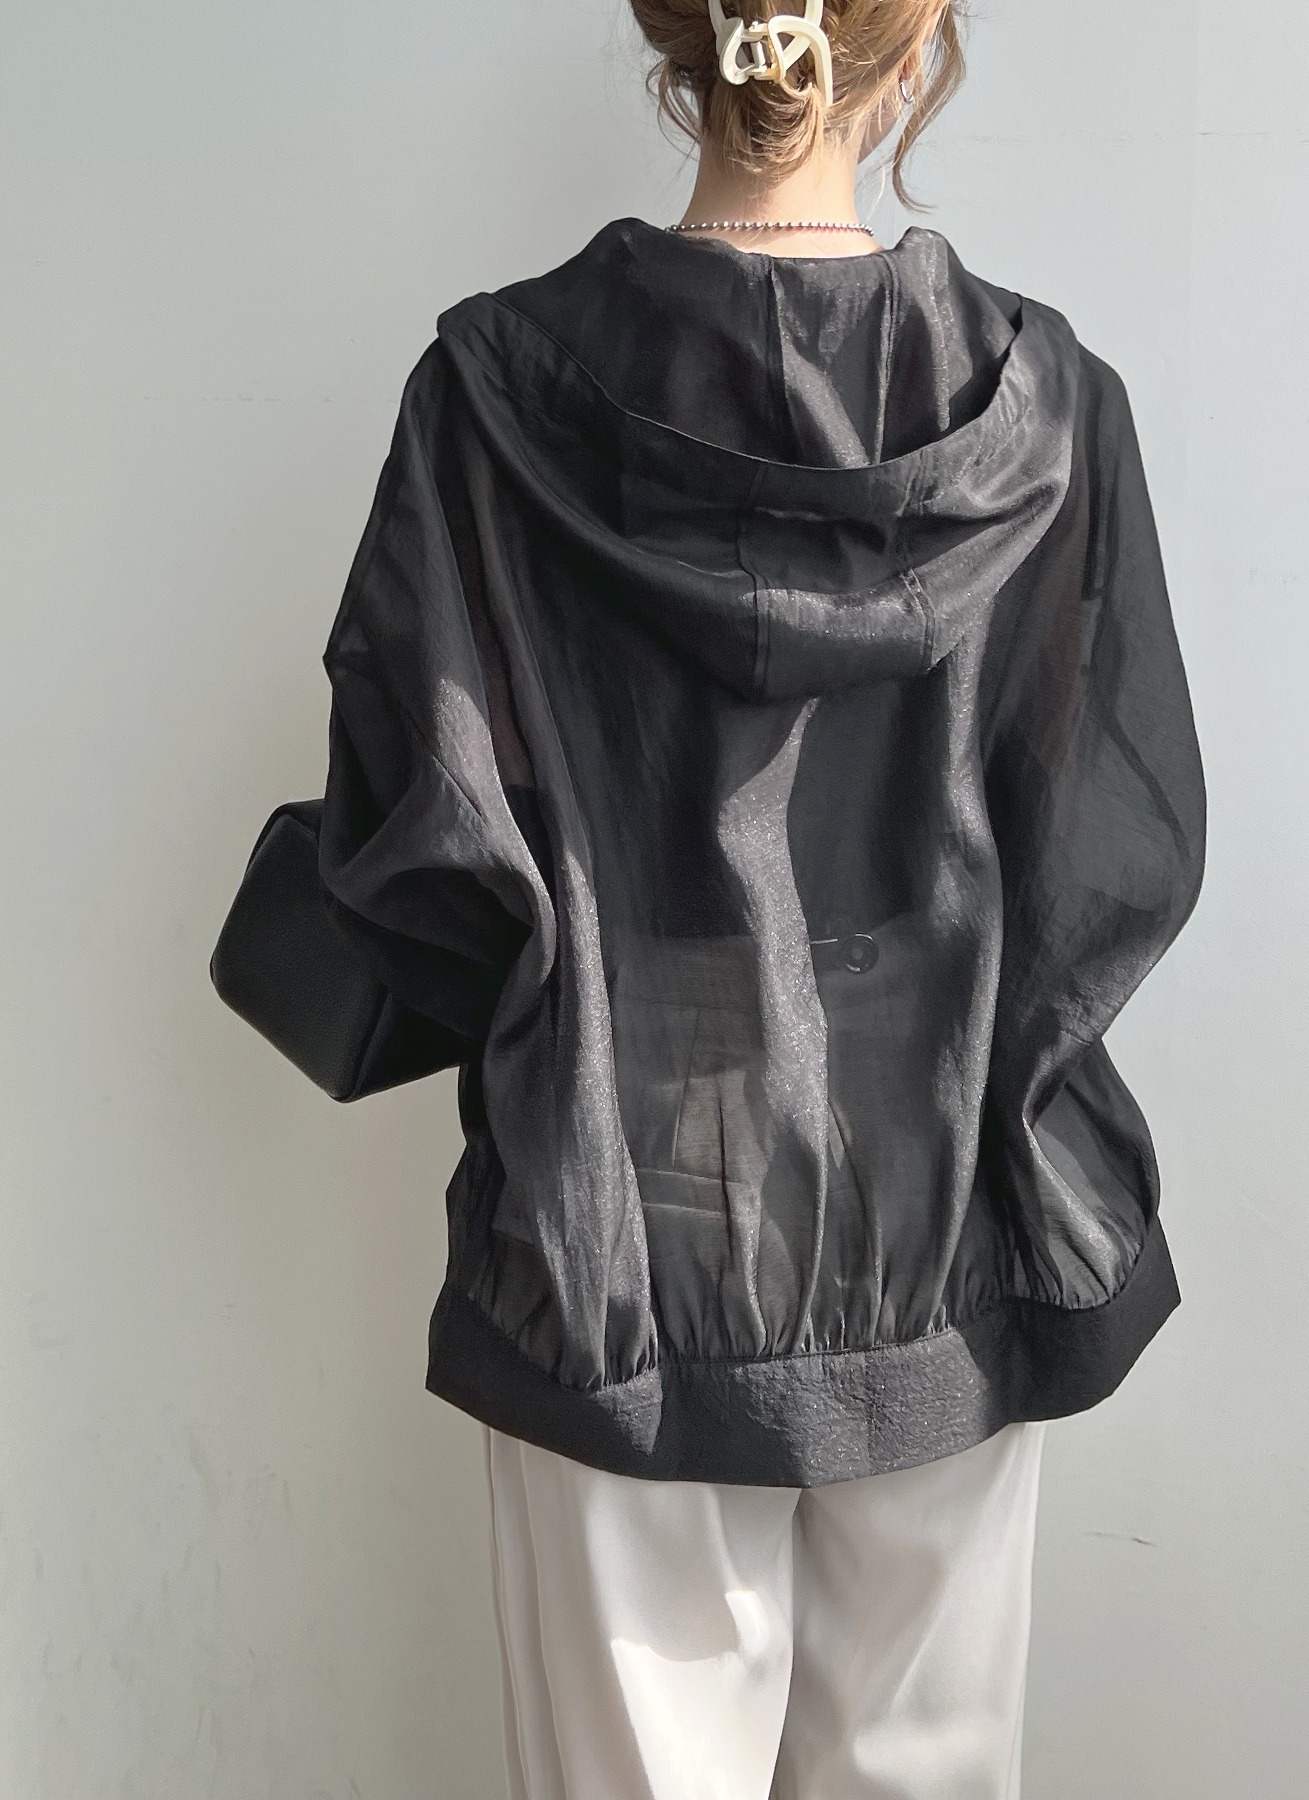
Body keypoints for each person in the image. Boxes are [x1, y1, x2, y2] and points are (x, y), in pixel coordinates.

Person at [218, 0, 1207, 1792]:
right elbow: (1111, 851)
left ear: (672, 43)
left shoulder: (486, 392)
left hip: (615, 1221)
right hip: (951, 1211)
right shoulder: (1051, 409)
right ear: (916, 48)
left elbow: (424, 834)